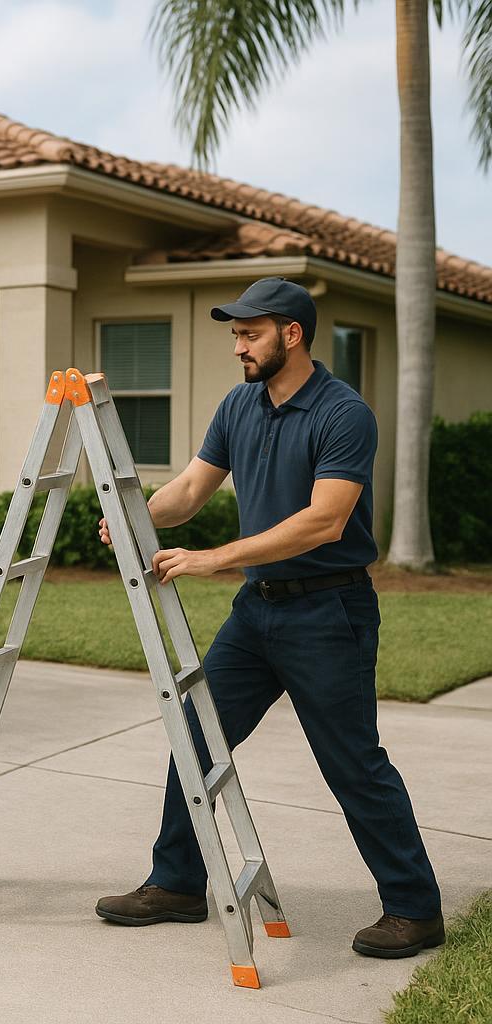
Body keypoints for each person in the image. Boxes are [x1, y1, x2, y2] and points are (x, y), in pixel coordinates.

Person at [94, 277, 443, 958]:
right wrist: (129, 515)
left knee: (352, 762)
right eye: (235, 334)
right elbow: (194, 488)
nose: (238, 346)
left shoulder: (344, 414)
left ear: (292, 334)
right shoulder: (240, 404)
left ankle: (414, 908)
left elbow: (325, 520)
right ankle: (178, 882)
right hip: (258, 612)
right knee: (195, 733)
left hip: (328, 611)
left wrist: (214, 557)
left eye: (249, 334)